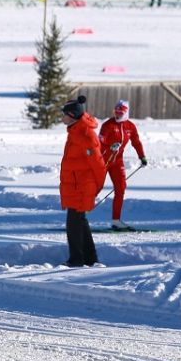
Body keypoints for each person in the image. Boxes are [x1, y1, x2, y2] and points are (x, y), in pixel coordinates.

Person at [59, 94, 107, 267]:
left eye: (64, 114)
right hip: (75, 186)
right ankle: (90, 258)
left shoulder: (86, 135)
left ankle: (77, 259)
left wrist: (96, 187)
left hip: (82, 187)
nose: (62, 117)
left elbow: (99, 165)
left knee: (73, 225)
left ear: (72, 116)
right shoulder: (75, 132)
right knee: (80, 222)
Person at [98, 99, 148, 230]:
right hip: (102, 160)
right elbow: (100, 142)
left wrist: (142, 156)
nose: (117, 114)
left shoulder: (130, 126)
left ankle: (116, 220)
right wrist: (110, 146)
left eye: (121, 112)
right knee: (96, 187)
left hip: (117, 161)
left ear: (126, 112)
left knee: (120, 188)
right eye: (116, 112)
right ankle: (79, 217)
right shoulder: (108, 125)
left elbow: (136, 142)